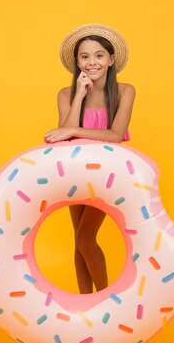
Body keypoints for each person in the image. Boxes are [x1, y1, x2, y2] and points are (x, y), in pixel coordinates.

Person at [43, 23, 136, 294]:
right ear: (77, 62)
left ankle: (107, 299)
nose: (91, 62)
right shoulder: (66, 94)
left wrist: (72, 129)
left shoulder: (124, 91)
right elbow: (64, 138)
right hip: (74, 172)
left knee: (85, 237)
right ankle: (86, 302)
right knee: (79, 240)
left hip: (107, 174)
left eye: (98, 55)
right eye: (84, 56)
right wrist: (79, 96)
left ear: (111, 59)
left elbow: (116, 134)